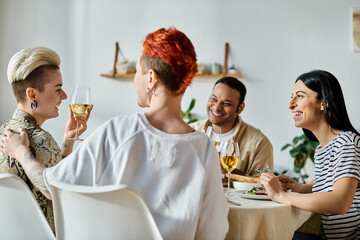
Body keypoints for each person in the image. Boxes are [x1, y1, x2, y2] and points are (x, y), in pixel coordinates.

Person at [1, 27, 229, 240]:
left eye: (137, 72)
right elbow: (213, 232)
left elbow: (52, 185)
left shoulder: (119, 131)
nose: (135, 80)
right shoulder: (205, 148)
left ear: (150, 78)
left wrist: (22, 153)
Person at [0, 46, 92, 232]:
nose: (64, 96)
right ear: (32, 94)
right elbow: (60, 191)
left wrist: (68, 139)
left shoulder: (4, 132)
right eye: (58, 89)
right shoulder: (40, 139)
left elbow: (53, 174)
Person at [260, 70, 360, 239]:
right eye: (291, 96)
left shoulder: (347, 142)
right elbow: (332, 183)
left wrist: (281, 195)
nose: (291, 104)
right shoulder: (323, 148)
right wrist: (301, 188)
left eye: (299, 96)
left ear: (324, 103)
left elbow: (340, 202)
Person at [190, 76, 274, 177]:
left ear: (240, 108)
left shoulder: (259, 143)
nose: (216, 107)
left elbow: (263, 186)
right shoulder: (190, 131)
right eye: (213, 99)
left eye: (226, 104)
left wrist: (229, 171)